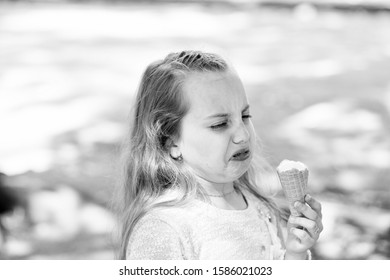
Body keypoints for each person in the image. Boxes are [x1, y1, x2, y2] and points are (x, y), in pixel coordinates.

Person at [114, 50, 323, 260]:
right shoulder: (163, 229)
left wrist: (296, 252)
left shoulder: (258, 206)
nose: (242, 134)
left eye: (245, 115)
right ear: (171, 142)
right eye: (220, 124)